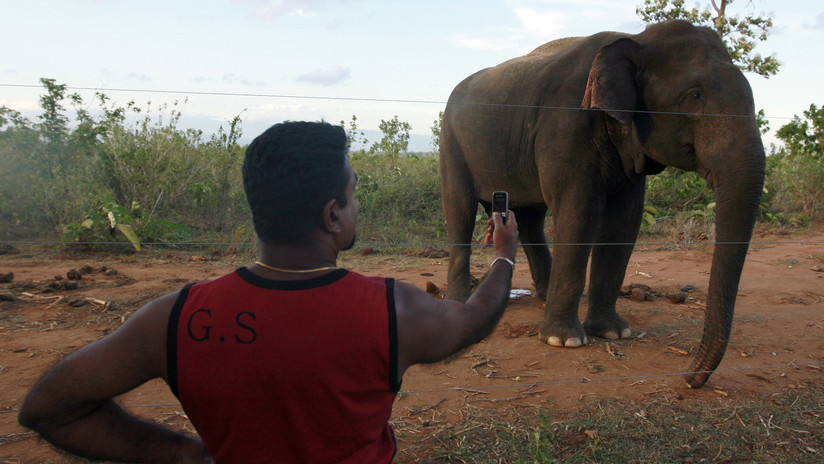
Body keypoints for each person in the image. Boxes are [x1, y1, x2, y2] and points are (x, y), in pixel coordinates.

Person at [18, 121, 519, 463]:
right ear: (332, 215)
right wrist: (504, 254)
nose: (356, 205)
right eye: (353, 193)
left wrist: (180, 452)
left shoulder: (175, 317)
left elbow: (47, 407)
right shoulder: (394, 310)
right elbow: (474, 317)